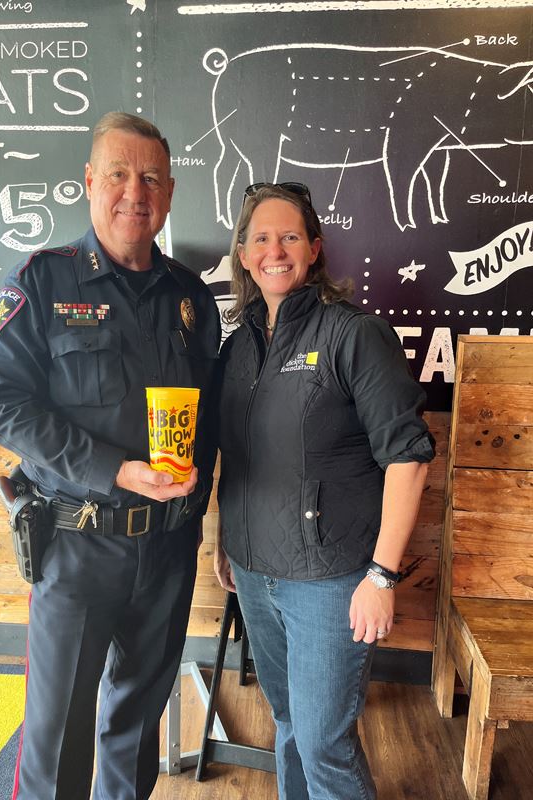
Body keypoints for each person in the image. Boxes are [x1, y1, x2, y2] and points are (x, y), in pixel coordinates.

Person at [0, 112, 220, 800]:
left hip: (167, 549)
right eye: (118, 174)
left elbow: (208, 420)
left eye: (150, 178)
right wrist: (110, 468)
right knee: (55, 740)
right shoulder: (41, 282)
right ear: (89, 182)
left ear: (169, 194)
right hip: (77, 547)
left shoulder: (191, 298)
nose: (133, 192)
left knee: (136, 729)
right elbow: (5, 408)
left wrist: (202, 514)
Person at [214, 182, 435, 800]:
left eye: (289, 236)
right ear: (243, 252)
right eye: (260, 238)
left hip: (332, 582)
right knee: (286, 727)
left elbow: (410, 458)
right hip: (256, 575)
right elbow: (237, 456)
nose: (274, 250)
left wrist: (383, 577)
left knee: (323, 744)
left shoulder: (353, 334)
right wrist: (223, 540)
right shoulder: (238, 346)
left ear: (313, 248)